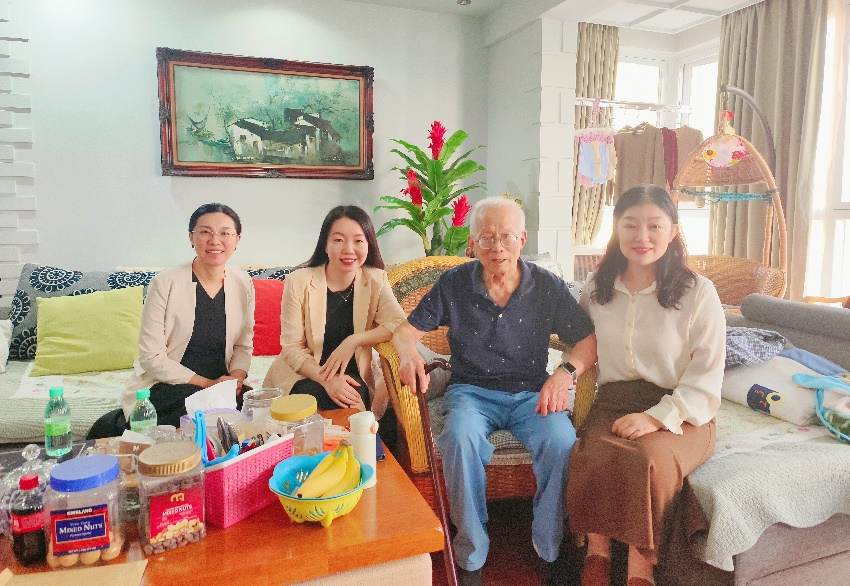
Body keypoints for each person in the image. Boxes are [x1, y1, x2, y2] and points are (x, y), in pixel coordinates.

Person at [392, 196, 597, 586]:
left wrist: (565, 372)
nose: (497, 247)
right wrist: (408, 354)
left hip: (531, 393)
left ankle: (549, 543)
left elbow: (587, 340)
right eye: (486, 237)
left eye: (506, 237)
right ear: (472, 243)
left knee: (562, 442)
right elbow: (405, 332)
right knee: (458, 438)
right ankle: (471, 547)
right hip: (471, 392)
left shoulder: (546, 286)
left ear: (522, 239)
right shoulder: (455, 283)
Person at [566, 185, 726, 586]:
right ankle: (597, 556)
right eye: (631, 225)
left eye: (654, 226)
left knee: (647, 459)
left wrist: (656, 417)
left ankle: (641, 571)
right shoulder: (597, 288)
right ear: (616, 229)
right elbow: (581, 343)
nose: (642, 236)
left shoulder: (698, 292)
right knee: (591, 450)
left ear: (672, 230)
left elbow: (707, 376)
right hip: (612, 402)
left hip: (683, 412)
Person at [116, 203, 255, 429]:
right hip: (170, 383)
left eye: (225, 233)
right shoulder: (164, 283)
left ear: (237, 240)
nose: (215, 240)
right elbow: (151, 357)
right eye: (205, 232)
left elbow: (243, 345)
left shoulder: (243, 283)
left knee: (254, 410)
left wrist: (236, 378)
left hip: (221, 382)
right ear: (191, 237)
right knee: (196, 411)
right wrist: (207, 384)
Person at [263, 205, 405, 421]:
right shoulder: (299, 281)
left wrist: (353, 341)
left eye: (358, 241)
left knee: (353, 402)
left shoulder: (376, 279)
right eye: (338, 240)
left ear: (368, 244)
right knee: (316, 400)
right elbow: (292, 347)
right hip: (305, 372)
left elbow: (399, 324)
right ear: (325, 245)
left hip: (353, 374)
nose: (348, 249)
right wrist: (328, 380)